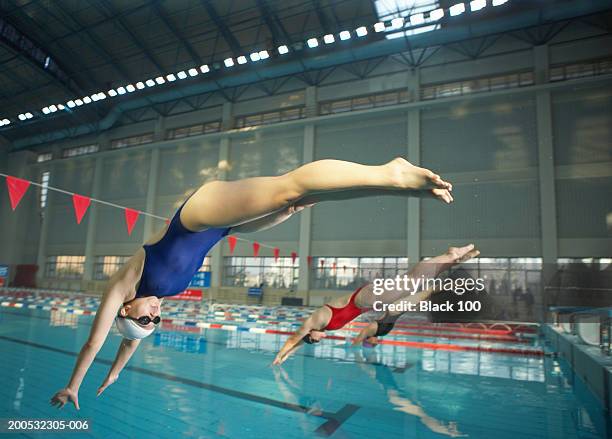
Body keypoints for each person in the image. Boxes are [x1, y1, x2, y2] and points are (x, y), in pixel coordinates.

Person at [50, 157, 453, 409]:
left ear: (126, 309)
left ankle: (389, 173)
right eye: (154, 322)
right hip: (219, 226)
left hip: (198, 215)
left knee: (290, 186)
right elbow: (128, 343)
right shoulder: (159, 297)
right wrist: (117, 373)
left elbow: (95, 342)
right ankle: (389, 184)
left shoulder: (126, 284)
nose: (155, 316)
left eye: (145, 318)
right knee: (299, 201)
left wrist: (74, 384)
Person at [272, 244, 480, 365]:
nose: (320, 340)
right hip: (368, 302)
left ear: (311, 334)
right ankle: (453, 261)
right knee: (412, 284)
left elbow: (294, 338)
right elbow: (298, 343)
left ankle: (450, 255)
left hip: (364, 299)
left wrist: (280, 355)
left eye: (315, 340)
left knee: (410, 281)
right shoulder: (320, 327)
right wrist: (288, 355)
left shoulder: (315, 320)